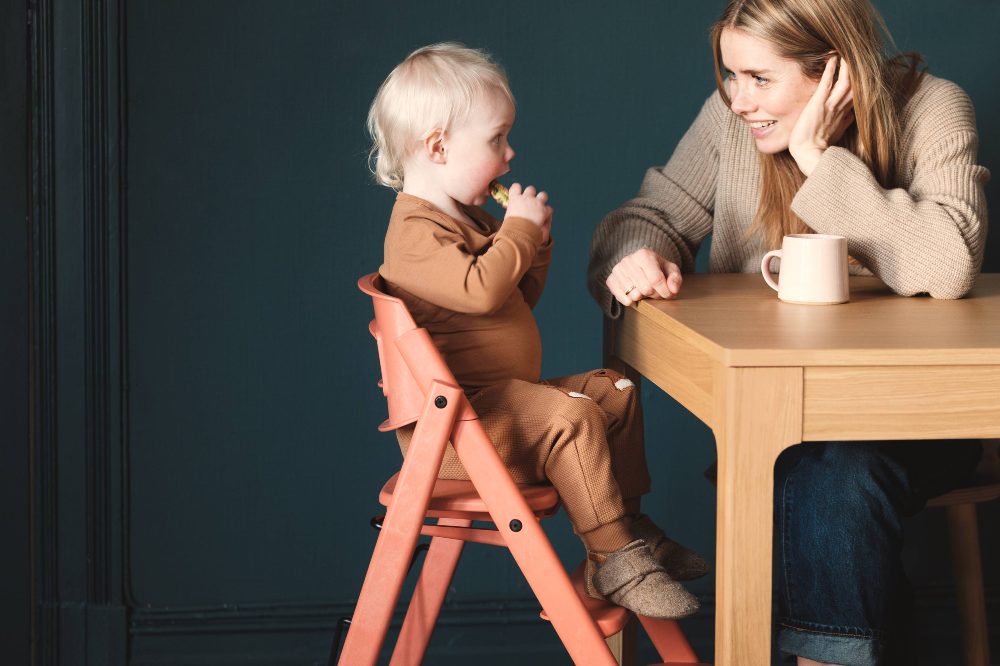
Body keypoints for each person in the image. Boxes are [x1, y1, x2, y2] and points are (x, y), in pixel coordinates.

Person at [587, 0, 988, 663]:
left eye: (759, 79)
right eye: (730, 76)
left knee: (832, 471)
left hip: (922, 414)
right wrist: (639, 252)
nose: (739, 100)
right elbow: (653, 211)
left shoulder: (936, 106)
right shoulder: (729, 120)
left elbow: (946, 265)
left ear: (834, 71)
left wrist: (818, 158)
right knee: (816, 465)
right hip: (786, 415)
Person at [367, 42, 708, 620]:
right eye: (496, 139)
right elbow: (481, 289)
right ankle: (612, 554)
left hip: (496, 410)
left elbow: (516, 297)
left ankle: (628, 533)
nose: (509, 154)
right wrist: (518, 233)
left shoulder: (468, 220)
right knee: (572, 417)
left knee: (613, 391)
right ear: (438, 146)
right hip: (457, 432)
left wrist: (534, 243)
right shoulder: (413, 235)